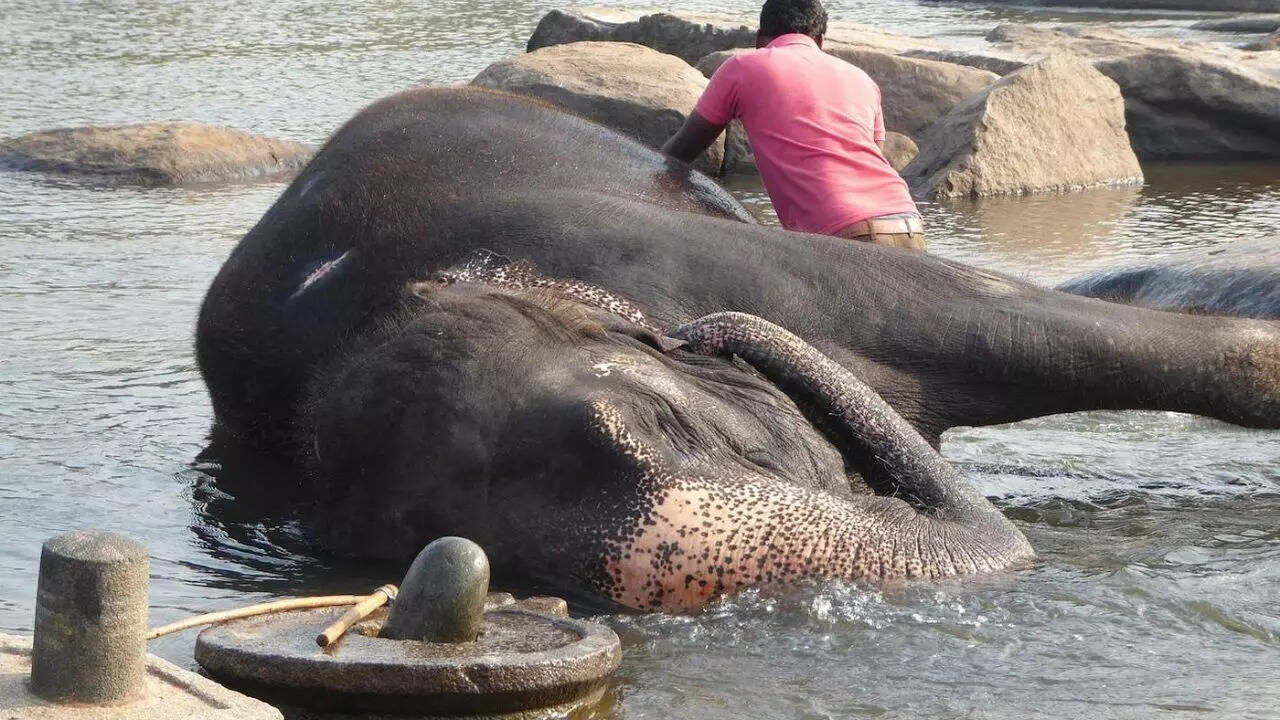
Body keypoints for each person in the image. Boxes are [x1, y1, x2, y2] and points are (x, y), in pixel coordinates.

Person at [662, 0, 926, 251]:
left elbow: (679, 153)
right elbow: (874, 156)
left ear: (759, 39)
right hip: (909, 223)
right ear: (820, 41)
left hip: (843, 236)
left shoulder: (741, 67)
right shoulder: (862, 79)